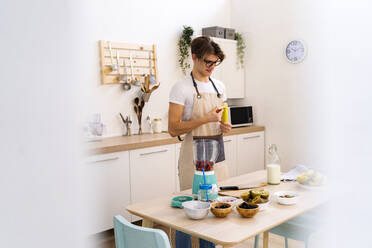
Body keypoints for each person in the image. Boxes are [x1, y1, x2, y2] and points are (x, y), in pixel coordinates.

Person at [168, 36, 232, 248]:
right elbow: (173, 128)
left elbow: (223, 120)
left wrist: (225, 126)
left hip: (216, 155)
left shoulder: (219, 86)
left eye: (215, 62)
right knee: (188, 210)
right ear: (194, 58)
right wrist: (206, 118)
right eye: (208, 62)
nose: (212, 67)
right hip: (192, 157)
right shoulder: (181, 88)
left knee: (214, 208)